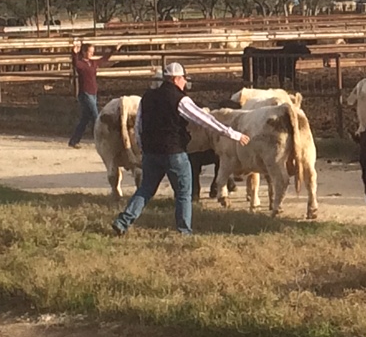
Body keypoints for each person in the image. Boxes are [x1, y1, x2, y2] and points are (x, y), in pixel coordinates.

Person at [112, 62, 249, 236]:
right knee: (184, 193)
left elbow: (139, 125)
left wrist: (142, 146)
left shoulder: (147, 97)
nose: (185, 82)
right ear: (176, 79)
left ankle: (122, 222)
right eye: (184, 78)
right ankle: (184, 231)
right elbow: (205, 120)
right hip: (174, 152)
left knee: (145, 189)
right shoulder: (180, 99)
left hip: (151, 152)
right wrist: (232, 134)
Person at [69, 41, 115, 148]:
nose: (91, 54)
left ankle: (74, 141)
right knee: (96, 116)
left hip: (93, 92)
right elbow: (75, 64)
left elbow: (104, 59)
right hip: (85, 93)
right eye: (90, 52)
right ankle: (103, 140)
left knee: (85, 119)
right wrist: (74, 53)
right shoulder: (81, 64)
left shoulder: (92, 63)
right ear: (84, 52)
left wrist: (113, 50)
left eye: (92, 52)